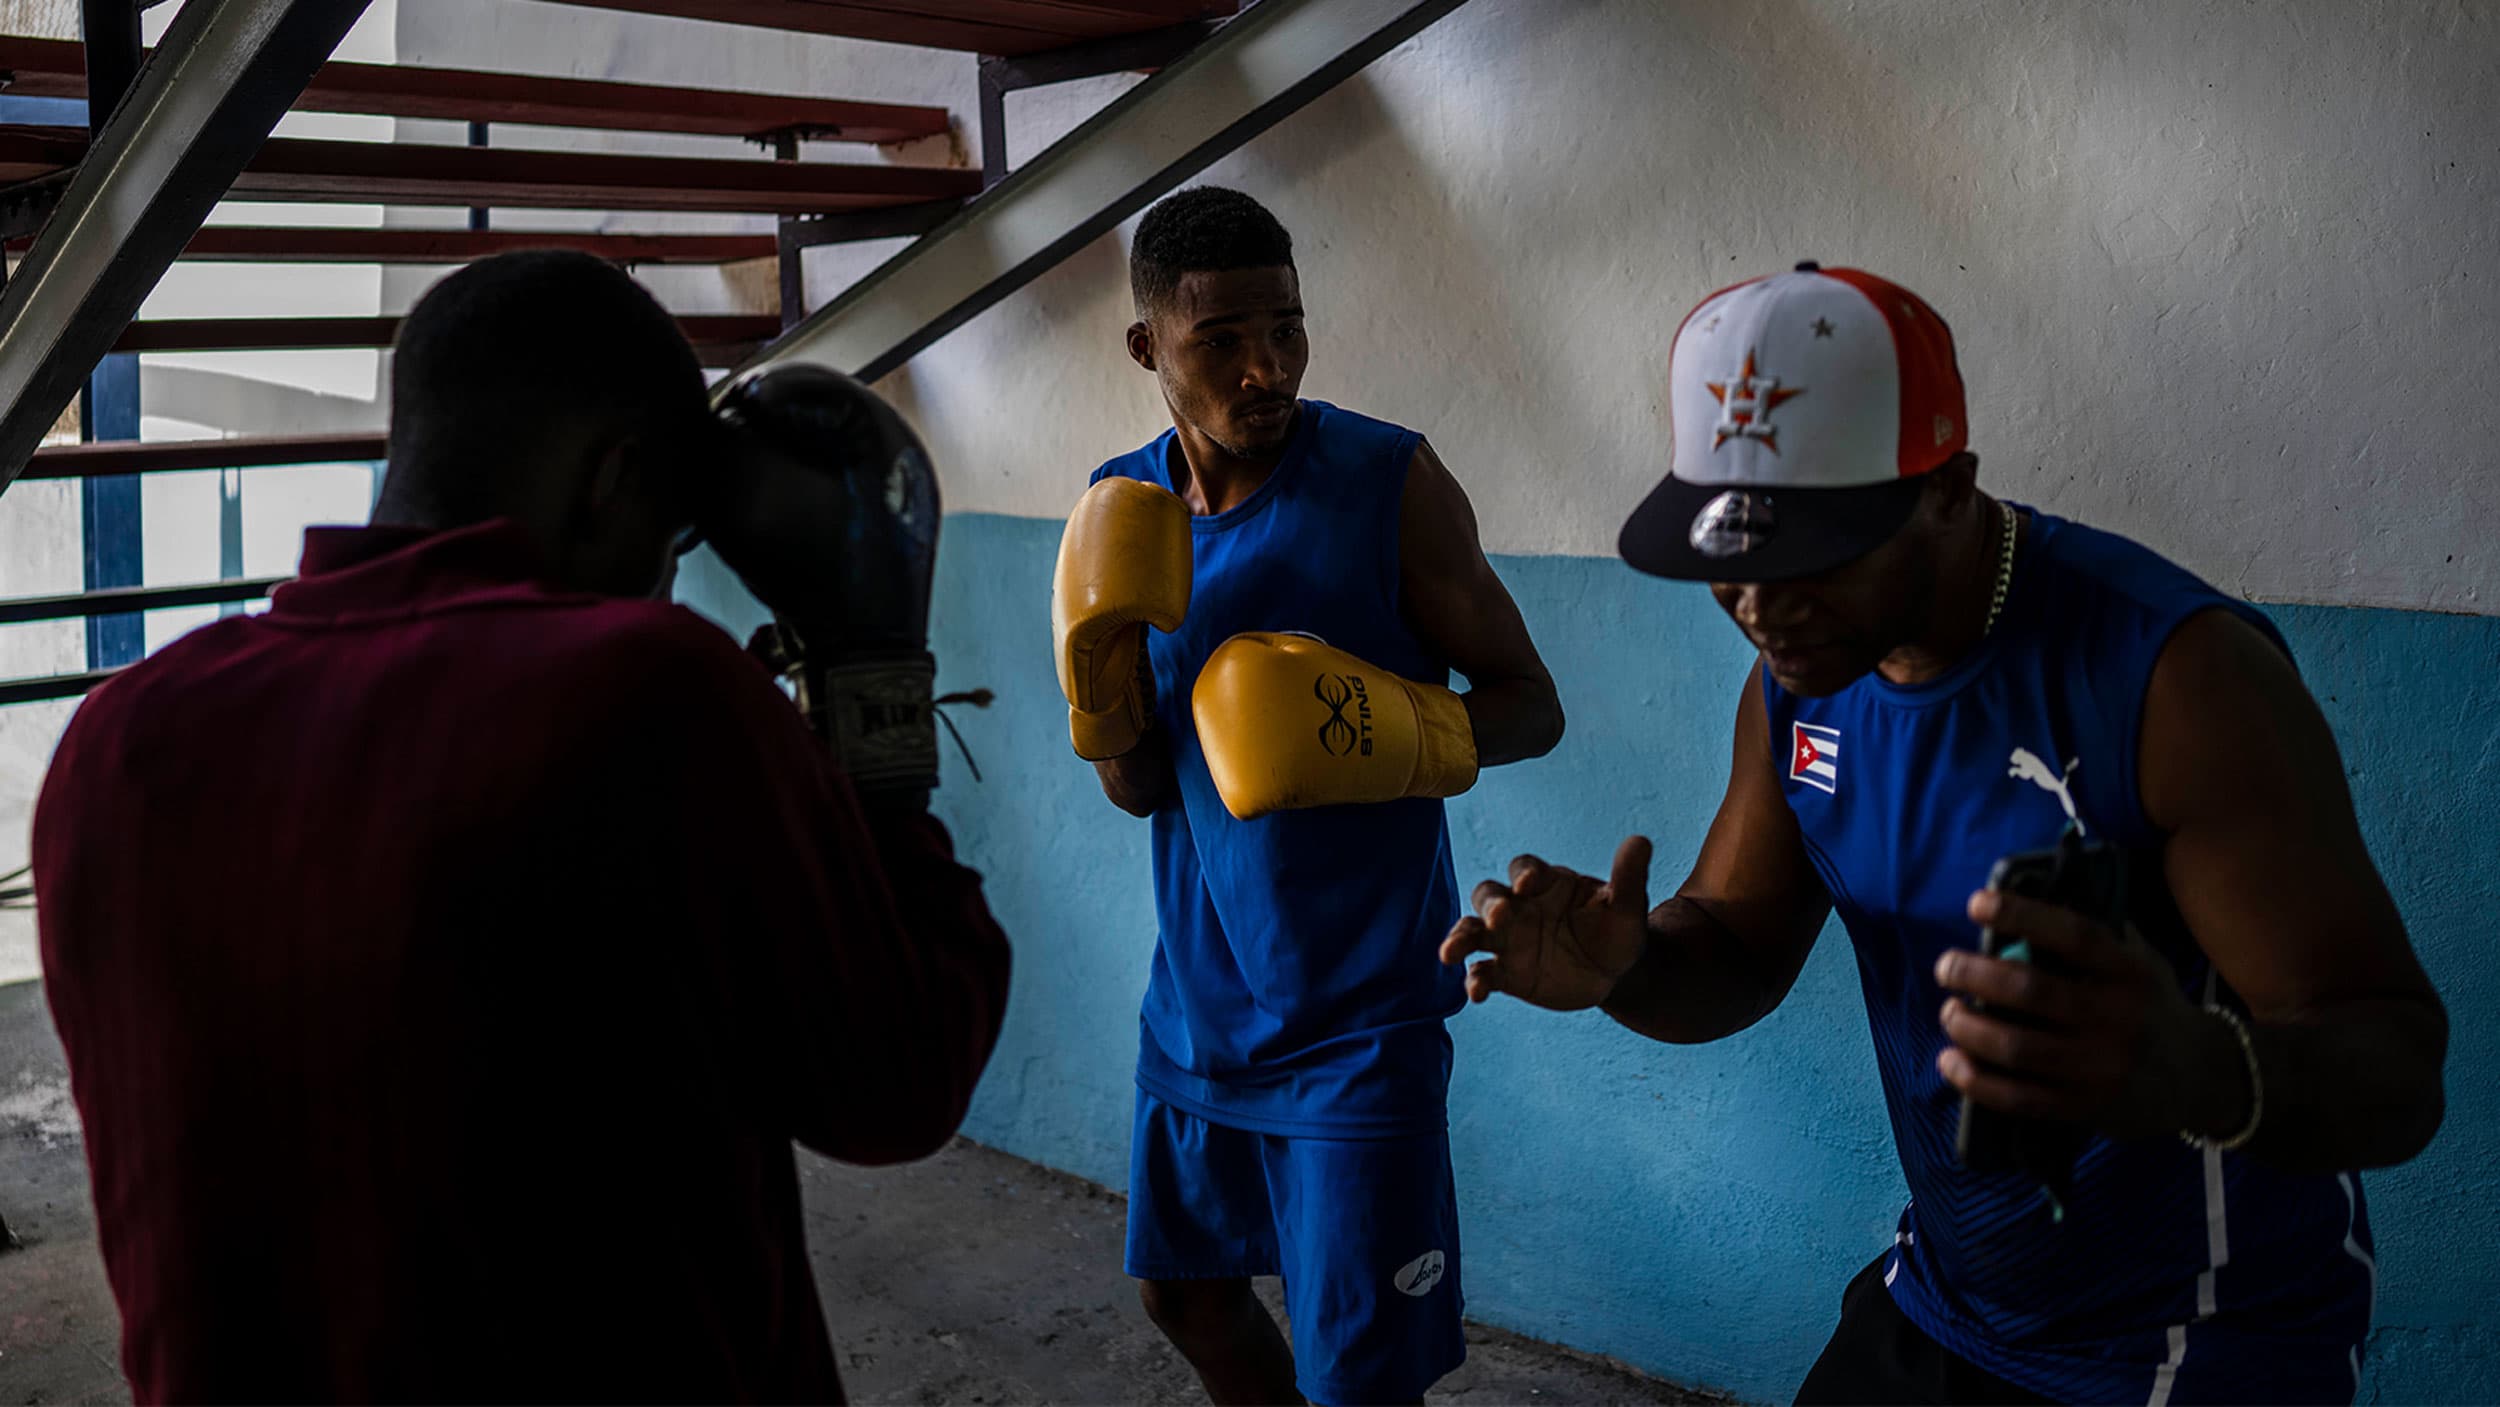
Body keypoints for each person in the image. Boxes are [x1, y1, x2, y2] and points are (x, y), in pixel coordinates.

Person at [1440, 263, 2447, 1404]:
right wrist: (1625, 969)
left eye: (1811, 554)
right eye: (1734, 560)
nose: (1763, 608)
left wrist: (2197, 1071)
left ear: (1949, 487)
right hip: (1951, 1296)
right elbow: (1731, 943)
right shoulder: (1796, 683)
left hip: (2191, 1341)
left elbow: (2397, 1068)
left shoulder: (2173, 679)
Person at [33, 250, 1012, 1402]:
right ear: (616, 478)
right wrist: (871, 671)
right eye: (671, 533)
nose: (660, 576)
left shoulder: (118, 737)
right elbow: (898, 1085)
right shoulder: (648, 694)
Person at [1051, 186, 1565, 1406]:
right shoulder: (1119, 509)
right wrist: (1104, 704)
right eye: (1218, 339)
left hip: (1359, 1022)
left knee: (1361, 1376)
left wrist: (1382, 728)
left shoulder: (1387, 479)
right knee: (1184, 1296)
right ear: (1146, 349)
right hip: (1195, 1009)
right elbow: (1139, 793)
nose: (1264, 366)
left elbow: (1531, 703)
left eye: (1284, 327)